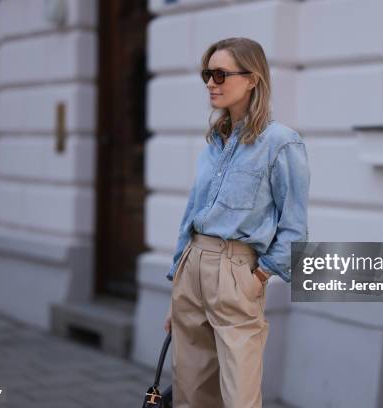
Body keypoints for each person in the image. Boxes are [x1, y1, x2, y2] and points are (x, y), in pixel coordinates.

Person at [163, 37, 310, 408]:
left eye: (220, 74)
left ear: (252, 79)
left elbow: (294, 227)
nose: (211, 83)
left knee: (239, 395)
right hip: (192, 268)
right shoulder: (214, 141)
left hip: (236, 273)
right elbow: (192, 215)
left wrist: (259, 275)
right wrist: (178, 279)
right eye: (206, 75)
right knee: (190, 392)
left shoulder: (282, 143)